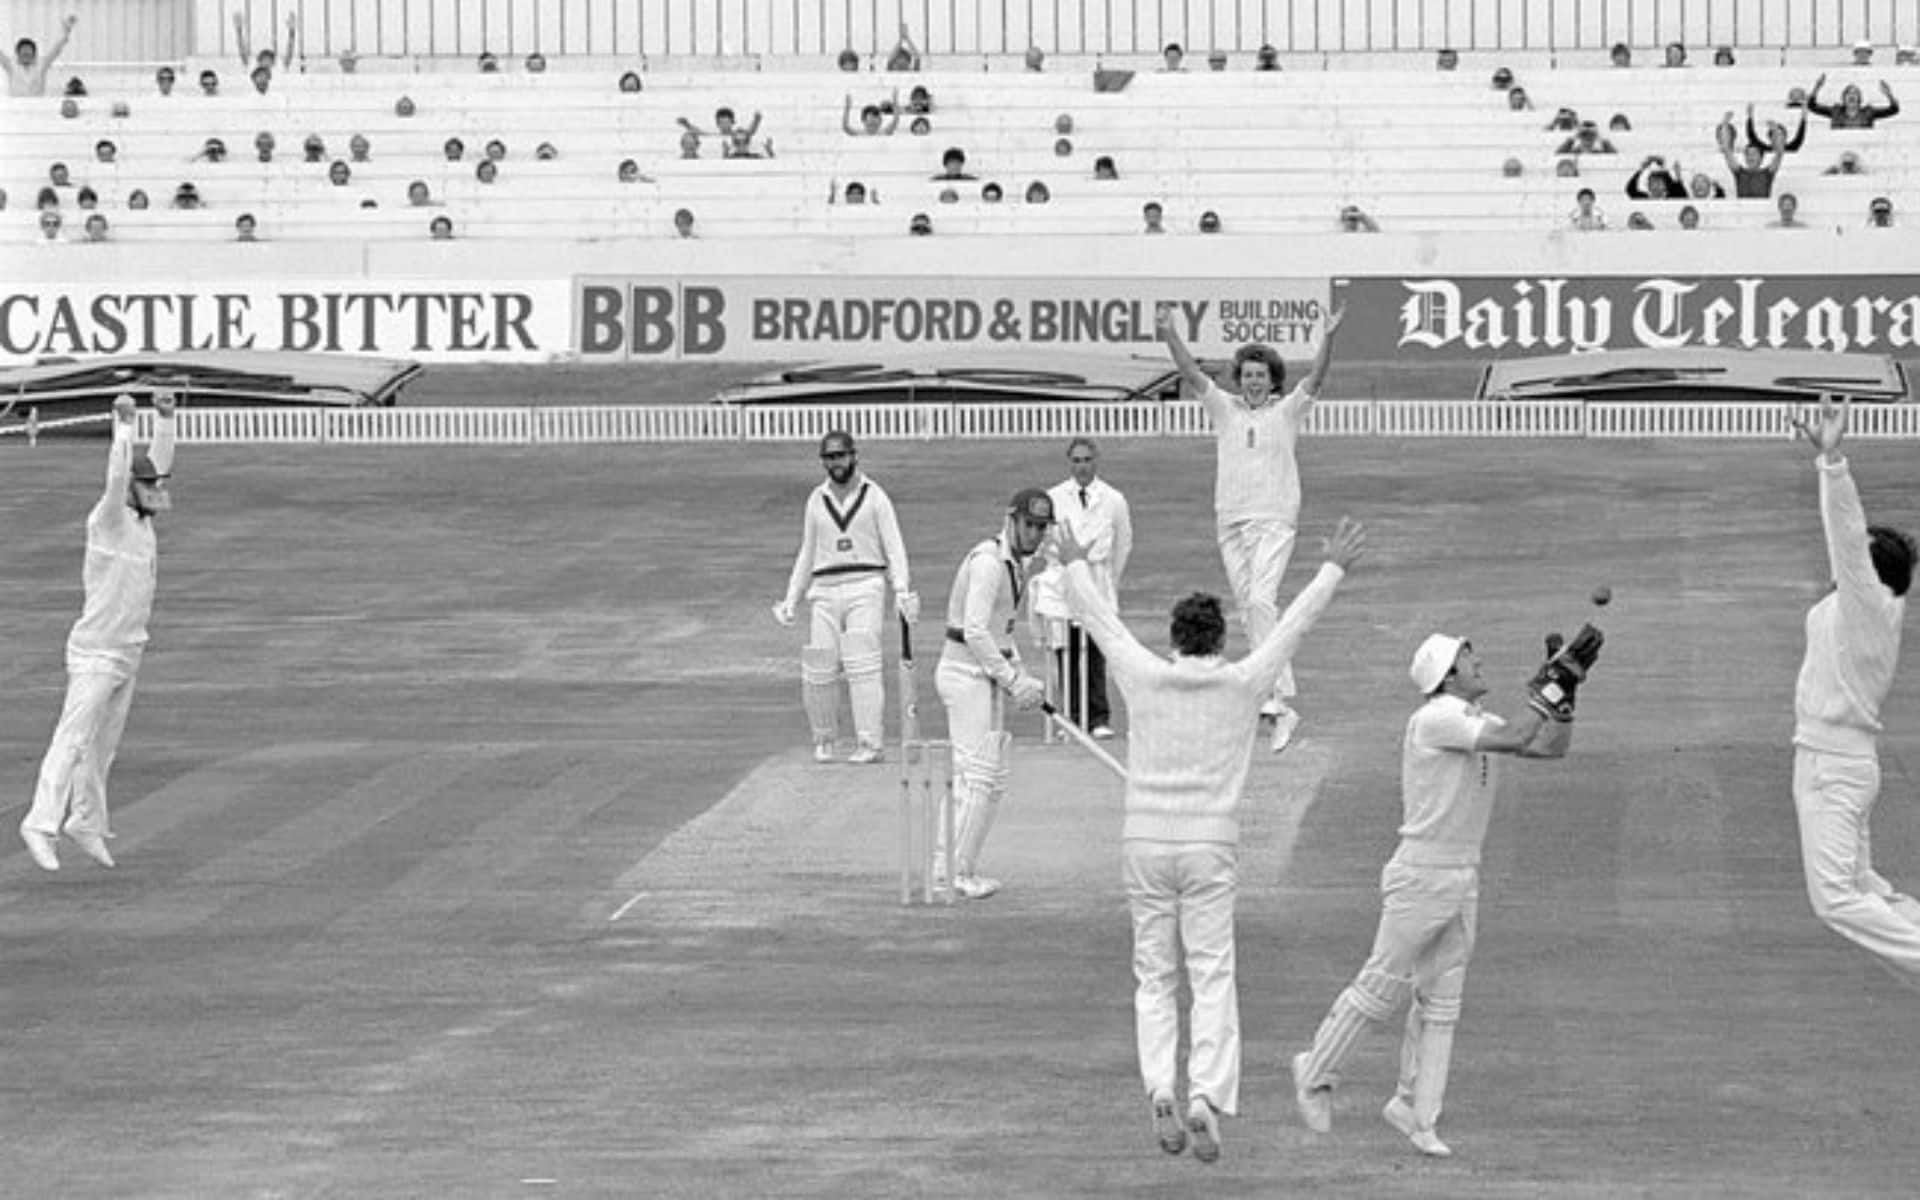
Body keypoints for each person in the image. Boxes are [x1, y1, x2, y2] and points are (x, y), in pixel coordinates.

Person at [1064, 482, 1365, 1168]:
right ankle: (1202, 1096)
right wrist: (1333, 567)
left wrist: (1073, 561)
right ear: (1220, 638)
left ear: (1174, 639)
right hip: (1208, 846)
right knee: (1211, 975)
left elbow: (1100, 620)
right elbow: (1293, 626)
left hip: (1144, 842)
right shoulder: (1242, 683)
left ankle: (1158, 1088)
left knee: (1153, 976)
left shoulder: (1143, 674)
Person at [1291, 627, 1592, 1157]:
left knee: (1442, 999)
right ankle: (1314, 1072)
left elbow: (1548, 747)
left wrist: (1566, 694)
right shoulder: (1435, 718)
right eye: (1469, 657)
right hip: (1421, 874)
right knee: (1381, 985)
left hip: (1460, 874)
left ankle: (1415, 1109)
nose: (1480, 661)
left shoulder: (1475, 720)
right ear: (1448, 674)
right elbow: (1520, 736)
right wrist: (1548, 687)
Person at [1157, 301, 1347, 752]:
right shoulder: (1224, 408)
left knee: (1262, 601)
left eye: (1261, 375)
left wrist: (1328, 337)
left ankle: (1279, 698)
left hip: (1275, 519)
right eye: (1247, 374)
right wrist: (1168, 332)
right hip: (1231, 521)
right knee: (1249, 609)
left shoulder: (1288, 411)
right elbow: (1189, 370)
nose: (1254, 381)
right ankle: (1276, 703)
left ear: (1272, 379)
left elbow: (1316, 379)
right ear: (1239, 377)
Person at [1786, 395, 1920, 990]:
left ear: (1872, 572)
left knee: (1837, 900)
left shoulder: (1869, 605)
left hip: (1835, 764)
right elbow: (1847, 547)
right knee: (1864, 888)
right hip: (1835, 760)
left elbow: (1845, 531)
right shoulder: (1864, 609)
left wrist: (1832, 462)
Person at [20, 392, 178, 872]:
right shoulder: (108, 519)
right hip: (95, 652)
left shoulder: (143, 523)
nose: (155, 491)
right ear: (130, 489)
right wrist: (123, 424)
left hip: (130, 650)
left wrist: (167, 418)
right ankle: (40, 822)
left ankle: (84, 823)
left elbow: (159, 465)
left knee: (101, 750)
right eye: (146, 485)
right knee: (71, 740)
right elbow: (118, 474)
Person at [934, 488, 1053, 900]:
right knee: (974, 777)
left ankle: (958, 868)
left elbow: (1000, 632)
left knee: (989, 780)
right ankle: (951, 873)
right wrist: (1011, 679)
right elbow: (974, 630)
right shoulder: (988, 562)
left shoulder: (1017, 565)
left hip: (982, 674)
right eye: (1030, 525)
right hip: (964, 673)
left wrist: (1021, 675)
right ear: (1011, 519)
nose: (1036, 534)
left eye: (1042, 528)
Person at [772, 431, 916, 766]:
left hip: (865, 583)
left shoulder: (875, 496)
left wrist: (901, 588)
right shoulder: (816, 499)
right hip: (823, 588)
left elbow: (895, 547)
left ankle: (870, 742)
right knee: (819, 666)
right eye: (829, 458)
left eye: (840, 456)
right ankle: (824, 739)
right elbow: (807, 552)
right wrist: (791, 597)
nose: (835, 464)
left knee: (862, 664)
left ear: (854, 456)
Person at [1029, 439, 1133, 739]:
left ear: (1096, 461)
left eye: (1087, 459)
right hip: (1062, 581)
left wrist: (1107, 579)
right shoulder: (1054, 497)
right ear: (1069, 462)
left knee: (1097, 648)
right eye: (1076, 460)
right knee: (1067, 649)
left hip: (1097, 578)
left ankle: (1099, 717)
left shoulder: (1113, 499)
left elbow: (1123, 543)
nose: (1082, 466)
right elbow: (1045, 539)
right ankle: (1073, 718)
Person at [5, 13, 78, 97]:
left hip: (38, 106)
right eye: (23, 53)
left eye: (28, 53)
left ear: (34, 53)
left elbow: (56, 50)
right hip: (15, 107)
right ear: (17, 54)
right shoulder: (11, 65)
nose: (26, 55)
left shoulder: (41, 64)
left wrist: (66, 32)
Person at [1807, 75, 1901, 128]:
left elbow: (1894, 110)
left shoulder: (1868, 112)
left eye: (1855, 93)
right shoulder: (1835, 111)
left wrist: (1889, 95)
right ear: (1843, 98)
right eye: (1848, 93)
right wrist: (1817, 87)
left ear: (1859, 98)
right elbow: (1812, 106)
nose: (1852, 96)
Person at [1721, 136, 1785, 199]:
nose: (1750, 157)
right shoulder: (1740, 173)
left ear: (1761, 157)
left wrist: (1775, 131)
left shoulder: (1767, 173)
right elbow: (1727, 151)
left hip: (1763, 208)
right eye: (1748, 154)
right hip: (1742, 208)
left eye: (1754, 154)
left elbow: (1779, 153)